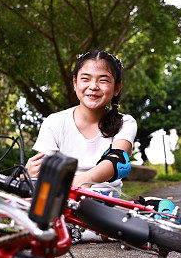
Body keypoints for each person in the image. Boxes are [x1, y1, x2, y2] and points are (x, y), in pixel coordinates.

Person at [25, 50, 137, 197]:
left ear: (117, 88)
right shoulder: (55, 122)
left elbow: (118, 160)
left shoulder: (125, 122)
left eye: (103, 80)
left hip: (106, 203)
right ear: (75, 83)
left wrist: (78, 183)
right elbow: (44, 169)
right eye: (86, 79)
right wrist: (27, 174)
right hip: (63, 199)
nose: (94, 86)